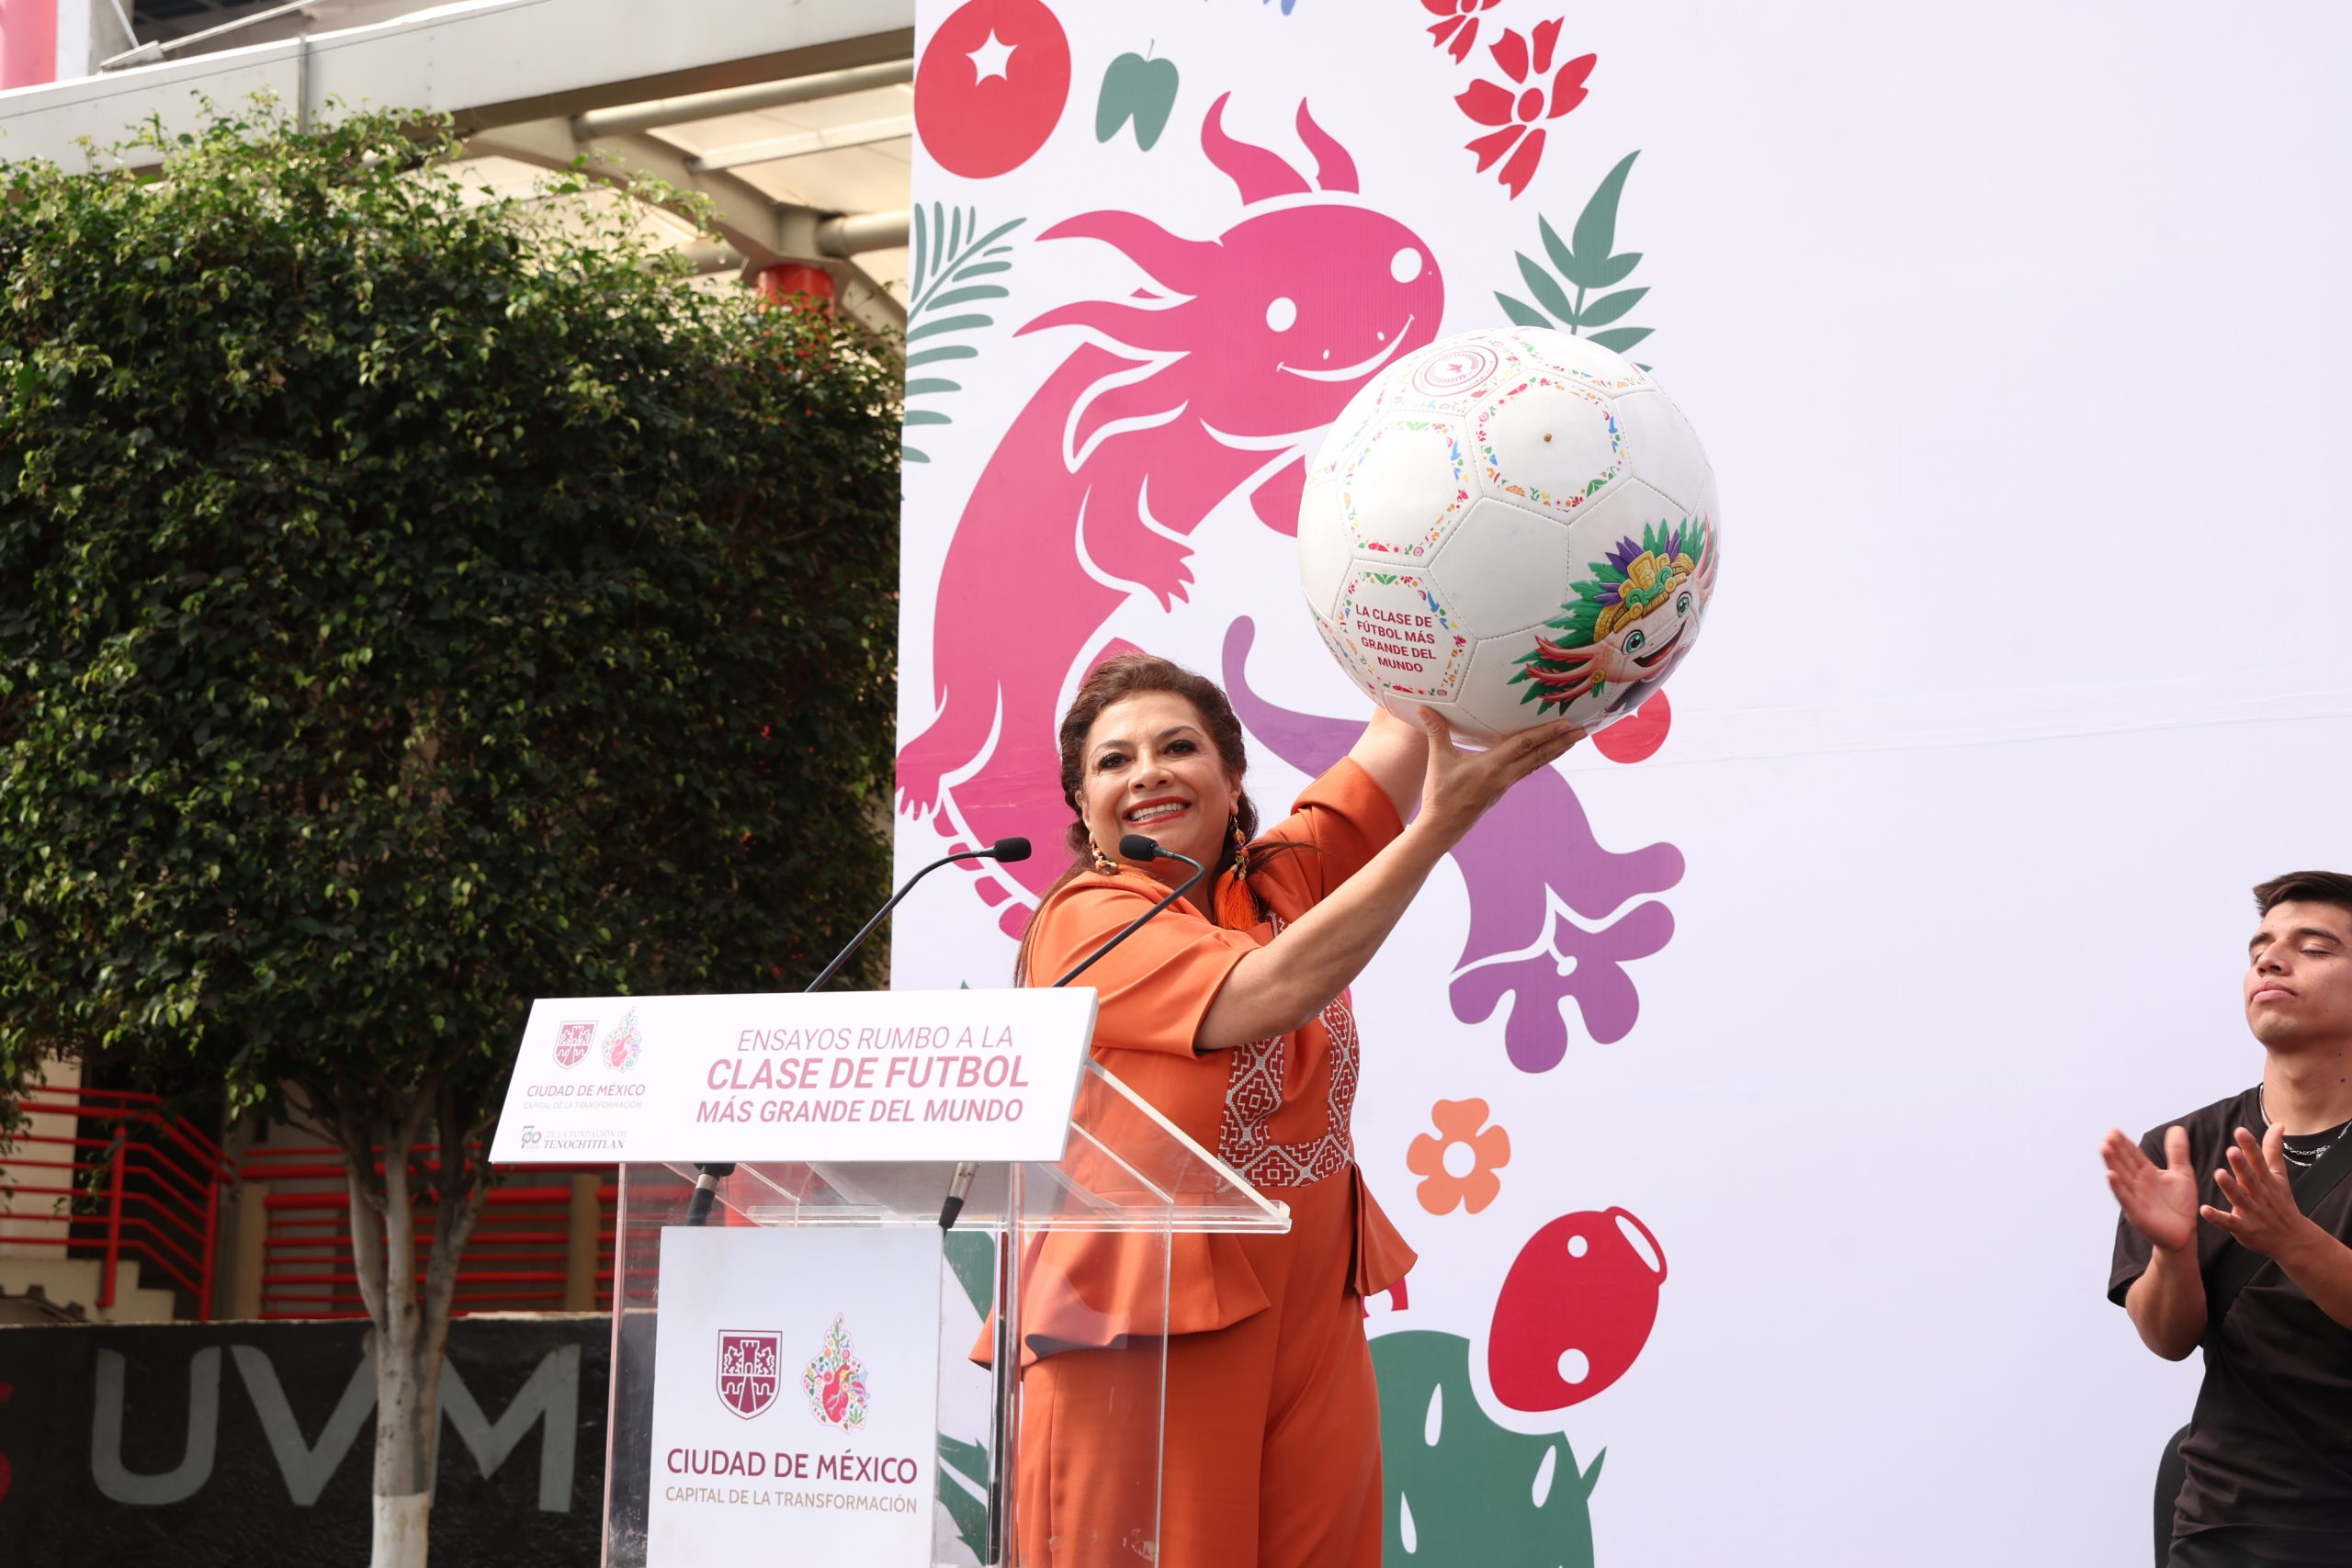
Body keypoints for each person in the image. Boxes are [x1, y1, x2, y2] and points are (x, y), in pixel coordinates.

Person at [1005, 652, 1580, 1568]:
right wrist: (1435, 832)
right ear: (1083, 809)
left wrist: (1533, 636)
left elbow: (1409, 717)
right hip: (1146, 1333)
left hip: (1311, 1322)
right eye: (1112, 761)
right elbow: (1268, 991)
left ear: (1233, 780)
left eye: (1177, 746)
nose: (1146, 771)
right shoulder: (1084, 920)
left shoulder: (1278, 881)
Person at [2103, 871, 2352, 1568]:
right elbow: (2167, 1337)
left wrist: (2292, 1238)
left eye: (2315, 947)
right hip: (2233, 1526)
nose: (2272, 960)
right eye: (2260, 949)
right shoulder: (2182, 1147)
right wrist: (2173, 1253)